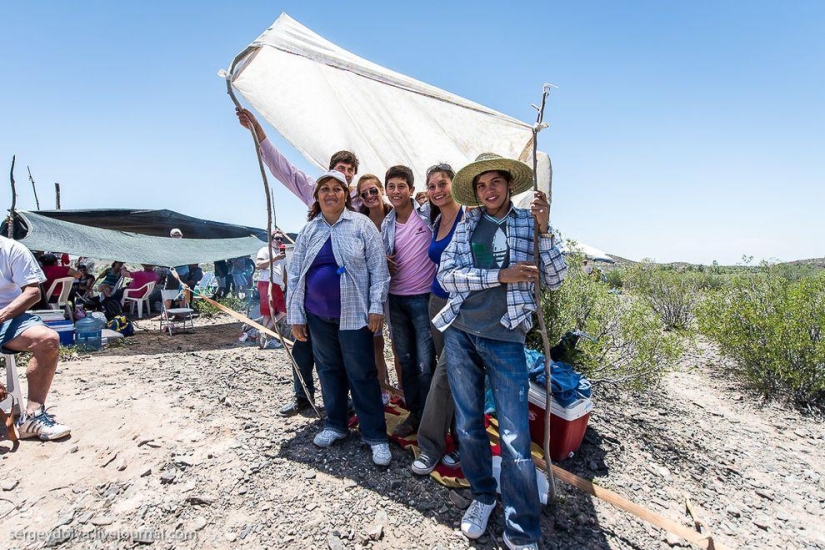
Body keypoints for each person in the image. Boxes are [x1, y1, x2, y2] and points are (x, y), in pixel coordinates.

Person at [433, 153, 568, 549]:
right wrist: (500, 276)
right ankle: (483, 496)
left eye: (495, 182)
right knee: (468, 422)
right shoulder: (468, 223)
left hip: (506, 336)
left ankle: (521, 527)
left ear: (510, 185)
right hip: (461, 331)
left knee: (514, 434)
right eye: (481, 185)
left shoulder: (529, 222)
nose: (488, 190)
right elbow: (446, 276)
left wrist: (545, 231)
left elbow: (555, 279)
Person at [236, 107, 361, 417]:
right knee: (302, 344)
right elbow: (283, 168)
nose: (344, 173)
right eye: (339, 168)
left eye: (349, 170)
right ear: (328, 172)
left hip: (347, 294)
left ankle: (342, 402)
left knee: (343, 350)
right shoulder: (315, 192)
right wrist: (258, 131)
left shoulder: (361, 202)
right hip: (311, 289)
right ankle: (302, 396)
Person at [286, 170, 391, 466]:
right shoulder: (309, 230)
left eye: (337, 189)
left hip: (355, 314)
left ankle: (375, 436)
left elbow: (379, 270)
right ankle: (336, 424)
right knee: (328, 369)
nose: (330, 194)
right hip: (317, 315)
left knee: (362, 372)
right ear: (317, 196)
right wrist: (296, 316)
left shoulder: (361, 225)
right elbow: (295, 275)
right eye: (325, 189)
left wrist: (376, 307)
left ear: (346, 195)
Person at [410, 163, 465, 475]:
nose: (436, 191)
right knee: (452, 374)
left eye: (442, 184)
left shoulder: (468, 216)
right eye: (431, 186)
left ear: (454, 183)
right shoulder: (434, 219)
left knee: (446, 374)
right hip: (437, 302)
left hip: (463, 306)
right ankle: (458, 441)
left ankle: (431, 446)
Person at [380, 165, 437, 438]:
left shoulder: (427, 214)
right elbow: (382, 258)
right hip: (396, 299)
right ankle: (415, 413)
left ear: (411, 190)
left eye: (401, 186)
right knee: (405, 360)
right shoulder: (387, 224)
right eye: (391, 187)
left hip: (424, 298)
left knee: (425, 363)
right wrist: (384, 261)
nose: (396, 191)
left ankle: (430, 417)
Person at [0, 236, 71, 440]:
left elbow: (33, 292)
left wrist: (2, 316)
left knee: (47, 340)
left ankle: (33, 416)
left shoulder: (12, 250)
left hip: (8, 317)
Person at [356, 174, 397, 404]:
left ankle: (403, 390)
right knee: (376, 342)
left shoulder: (397, 214)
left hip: (401, 286)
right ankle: (383, 388)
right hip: (372, 288)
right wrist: (379, 261)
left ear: (381, 190)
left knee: (399, 343)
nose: (370, 196)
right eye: (364, 194)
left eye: (373, 190)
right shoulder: (360, 223)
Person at [255, 230, 287, 349]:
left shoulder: (282, 255)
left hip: (277, 285)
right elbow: (258, 265)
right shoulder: (265, 250)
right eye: (277, 238)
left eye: (281, 239)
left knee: (282, 312)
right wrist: (275, 258)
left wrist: (286, 285)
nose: (279, 241)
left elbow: (283, 271)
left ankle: (263, 332)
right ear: (271, 239)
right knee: (268, 313)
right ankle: (266, 339)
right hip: (266, 283)